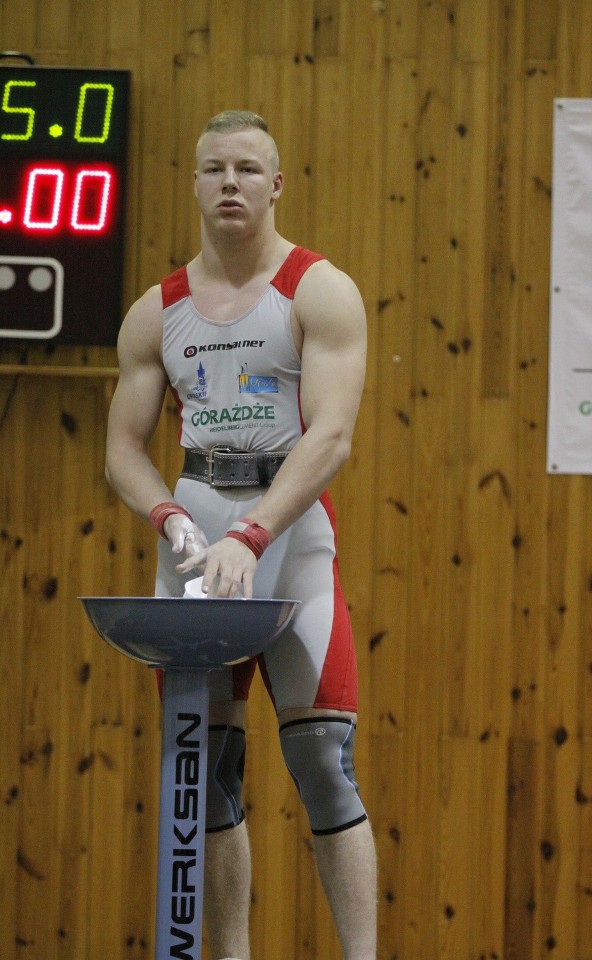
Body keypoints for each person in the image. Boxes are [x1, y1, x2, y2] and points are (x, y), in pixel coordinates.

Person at [105, 110, 376, 960]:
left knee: (325, 763)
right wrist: (172, 516)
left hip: (287, 541)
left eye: (249, 169)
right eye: (215, 168)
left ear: (277, 184)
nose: (231, 183)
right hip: (195, 543)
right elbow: (122, 449)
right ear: (192, 183)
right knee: (208, 773)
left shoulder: (318, 290)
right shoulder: (157, 311)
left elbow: (330, 438)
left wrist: (253, 535)